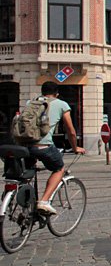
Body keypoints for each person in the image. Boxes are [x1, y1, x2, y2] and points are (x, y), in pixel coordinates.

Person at [29, 82, 86, 215]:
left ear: (42, 92)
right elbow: (70, 130)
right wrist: (75, 147)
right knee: (59, 168)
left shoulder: (31, 103)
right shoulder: (61, 104)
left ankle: (23, 199)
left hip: (24, 146)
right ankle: (44, 201)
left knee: (27, 172)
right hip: (43, 145)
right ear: (57, 93)